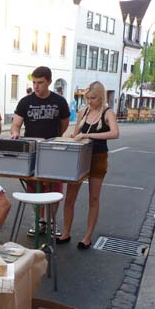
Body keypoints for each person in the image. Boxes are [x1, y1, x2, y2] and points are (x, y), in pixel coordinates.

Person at [56, 81, 119, 249]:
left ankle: (87, 237)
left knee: (94, 198)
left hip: (98, 157)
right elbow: (76, 134)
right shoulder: (83, 112)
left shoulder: (108, 113)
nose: (89, 101)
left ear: (101, 97)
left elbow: (115, 133)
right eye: (87, 98)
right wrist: (72, 137)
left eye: (93, 98)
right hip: (79, 157)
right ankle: (66, 232)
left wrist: (88, 135)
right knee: (70, 197)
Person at [10, 66, 70, 237]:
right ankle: (39, 220)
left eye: (40, 83)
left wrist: (56, 136)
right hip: (32, 149)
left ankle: (51, 221)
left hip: (53, 150)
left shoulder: (59, 101)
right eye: (34, 82)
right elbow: (16, 124)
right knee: (33, 187)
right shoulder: (25, 102)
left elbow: (64, 122)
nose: (36, 86)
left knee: (54, 187)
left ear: (49, 82)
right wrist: (15, 132)